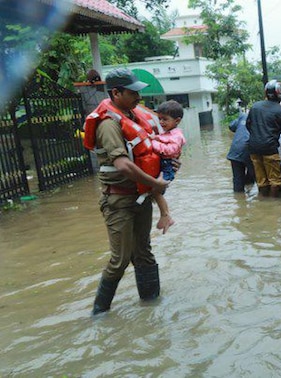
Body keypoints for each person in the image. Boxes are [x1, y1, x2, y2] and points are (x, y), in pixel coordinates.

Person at [83, 68, 170, 315]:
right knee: (119, 260)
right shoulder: (108, 124)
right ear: (116, 93)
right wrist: (155, 184)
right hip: (118, 200)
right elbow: (122, 164)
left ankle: (151, 307)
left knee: (143, 253)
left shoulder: (132, 116)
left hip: (141, 197)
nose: (138, 97)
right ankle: (99, 314)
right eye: (133, 93)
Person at [246, 79, 281, 197]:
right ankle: (272, 205)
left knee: (261, 180)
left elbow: (249, 125)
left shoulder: (255, 107)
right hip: (269, 148)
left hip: (253, 148)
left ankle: (263, 203)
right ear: (279, 94)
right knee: (275, 181)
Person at [150, 99, 187, 234]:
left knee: (156, 191)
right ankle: (165, 216)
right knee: (155, 192)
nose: (161, 122)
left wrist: (153, 144)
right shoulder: (168, 133)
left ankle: (166, 216)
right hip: (164, 165)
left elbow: (170, 150)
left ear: (177, 121)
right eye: (160, 119)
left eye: (165, 119)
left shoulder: (177, 135)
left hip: (168, 166)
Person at [227, 109, 256, 194]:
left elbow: (231, 126)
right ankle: (250, 192)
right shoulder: (260, 117)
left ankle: (239, 201)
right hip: (250, 150)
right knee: (256, 176)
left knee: (237, 180)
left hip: (235, 150)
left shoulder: (243, 116)